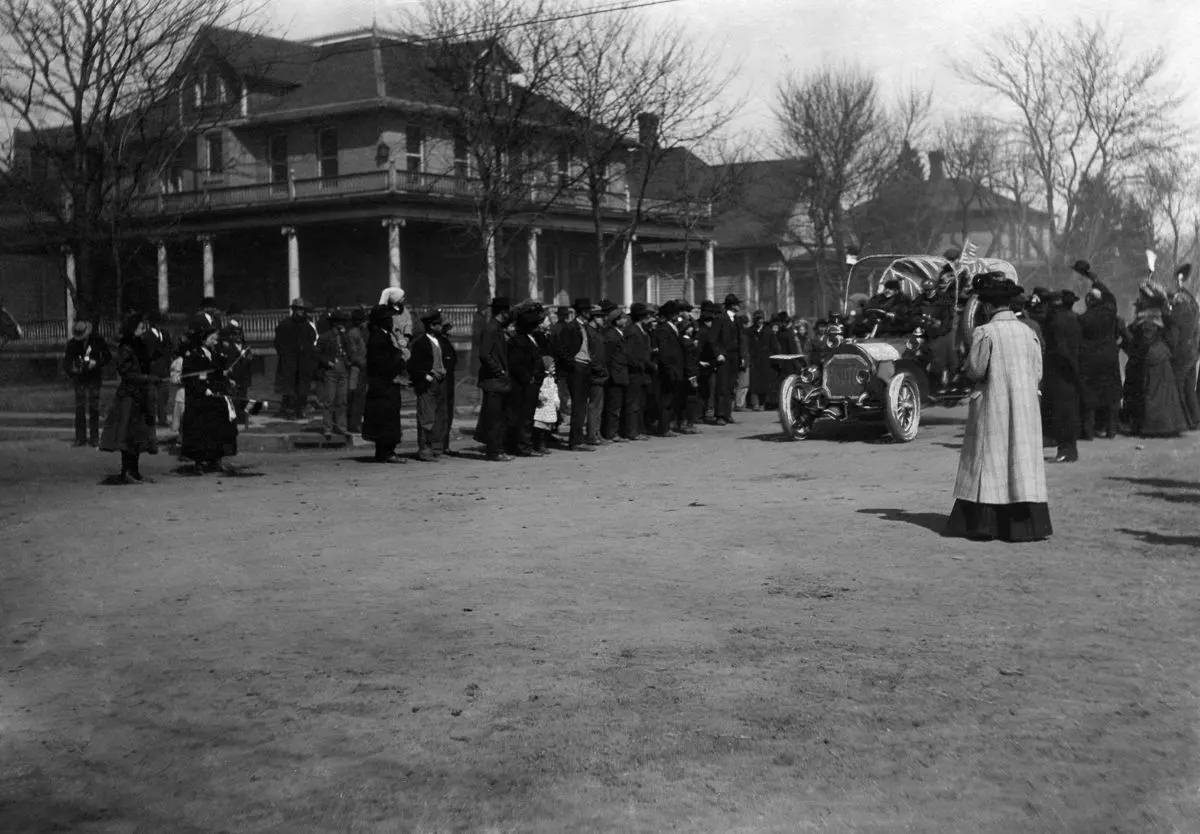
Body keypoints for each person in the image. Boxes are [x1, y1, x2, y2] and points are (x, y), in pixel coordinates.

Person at [946, 273, 1052, 542]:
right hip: (1025, 406)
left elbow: (977, 369)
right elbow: (1038, 372)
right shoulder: (1028, 333)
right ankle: (1026, 525)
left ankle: (985, 525)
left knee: (990, 459)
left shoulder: (985, 332)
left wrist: (967, 368)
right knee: (1020, 459)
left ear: (989, 307)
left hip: (994, 404)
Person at [98, 312, 161, 483]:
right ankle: (126, 470)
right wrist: (148, 379)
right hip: (129, 396)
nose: (143, 330)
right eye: (140, 328)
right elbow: (127, 374)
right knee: (128, 436)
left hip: (140, 395)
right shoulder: (126, 348)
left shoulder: (139, 345)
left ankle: (134, 471)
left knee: (138, 435)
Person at [180, 312, 238, 473]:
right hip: (200, 400)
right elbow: (189, 378)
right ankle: (199, 462)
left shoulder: (215, 354)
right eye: (212, 336)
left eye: (216, 336)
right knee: (200, 430)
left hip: (215, 398)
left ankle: (216, 460)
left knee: (218, 429)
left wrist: (227, 379)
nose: (215, 339)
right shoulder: (193, 355)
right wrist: (203, 389)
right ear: (202, 337)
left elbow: (218, 373)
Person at [1071, 261, 1122, 440]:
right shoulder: (1110, 312)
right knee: (1110, 395)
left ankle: (1089, 432)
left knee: (1090, 396)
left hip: (1090, 359)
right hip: (1109, 357)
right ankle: (1111, 431)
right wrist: (1095, 279)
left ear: (1089, 302)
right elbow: (1110, 297)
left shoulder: (1083, 319)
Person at [362, 304, 408, 463]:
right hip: (383, 385)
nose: (391, 320)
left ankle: (386, 451)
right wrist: (401, 359)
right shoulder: (378, 338)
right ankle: (385, 452)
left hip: (386, 384)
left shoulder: (385, 335)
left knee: (388, 418)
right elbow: (381, 363)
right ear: (382, 321)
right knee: (385, 419)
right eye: (388, 318)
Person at [1042, 290, 1083, 463]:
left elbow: (1060, 348)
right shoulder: (1074, 318)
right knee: (1069, 411)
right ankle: (1069, 448)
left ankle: (1066, 449)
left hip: (1059, 372)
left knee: (1061, 412)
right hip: (1070, 371)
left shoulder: (1056, 321)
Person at [505, 302, 548, 457]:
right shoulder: (518, 341)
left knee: (526, 416)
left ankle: (522, 445)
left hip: (531, 383)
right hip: (524, 385)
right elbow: (516, 364)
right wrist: (528, 378)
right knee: (523, 417)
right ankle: (523, 446)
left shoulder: (530, 339)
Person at [556, 297, 599, 451]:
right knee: (579, 406)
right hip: (577, 368)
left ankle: (578, 438)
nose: (590, 314)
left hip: (585, 367)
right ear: (583, 312)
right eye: (588, 311)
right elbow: (562, 349)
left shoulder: (585, 327)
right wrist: (572, 364)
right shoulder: (571, 327)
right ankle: (575, 441)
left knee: (582, 405)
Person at [408, 309, 451, 461]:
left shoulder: (440, 342)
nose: (441, 327)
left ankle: (436, 448)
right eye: (438, 324)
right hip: (428, 384)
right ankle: (425, 449)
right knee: (426, 417)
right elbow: (413, 365)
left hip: (441, 382)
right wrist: (425, 376)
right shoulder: (420, 343)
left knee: (440, 416)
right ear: (432, 326)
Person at [64, 318, 112, 447]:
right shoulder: (72, 344)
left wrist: (96, 363)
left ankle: (94, 437)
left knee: (94, 407)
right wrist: (73, 370)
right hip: (79, 378)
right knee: (80, 408)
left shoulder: (98, 341)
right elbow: (66, 363)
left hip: (94, 376)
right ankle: (80, 437)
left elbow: (107, 357)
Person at [1138, 315, 1188, 437]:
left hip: (1154, 363)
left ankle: (1154, 427)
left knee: (1153, 393)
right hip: (1163, 364)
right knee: (1168, 395)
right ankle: (1170, 425)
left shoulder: (1148, 338)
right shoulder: (1163, 343)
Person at [476, 296, 512, 461]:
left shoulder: (497, 328)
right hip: (493, 381)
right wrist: (499, 371)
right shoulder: (491, 329)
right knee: (493, 419)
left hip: (498, 382)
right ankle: (493, 451)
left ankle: (497, 449)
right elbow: (484, 354)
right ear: (503, 312)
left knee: (498, 418)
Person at [316, 309, 359, 442]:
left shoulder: (345, 336)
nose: (342, 325)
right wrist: (327, 362)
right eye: (340, 322)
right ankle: (327, 427)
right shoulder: (325, 337)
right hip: (331, 371)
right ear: (334, 323)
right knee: (329, 400)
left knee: (342, 401)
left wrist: (349, 361)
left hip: (343, 370)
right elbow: (317, 353)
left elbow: (351, 351)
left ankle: (341, 426)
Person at [1165, 263, 1199, 430]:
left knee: (1178, 386)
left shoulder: (1179, 302)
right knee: (1189, 387)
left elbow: (1175, 328)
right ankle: (1196, 419)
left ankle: (1186, 421)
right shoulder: (1192, 300)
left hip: (1182, 352)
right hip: (1193, 351)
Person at [273, 298, 318, 419]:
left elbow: (312, 340)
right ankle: (290, 411)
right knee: (290, 388)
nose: (301, 312)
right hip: (290, 363)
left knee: (302, 388)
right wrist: (286, 355)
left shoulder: (307, 326)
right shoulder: (285, 325)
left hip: (303, 363)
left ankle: (300, 410)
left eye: (302, 310)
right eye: (298, 309)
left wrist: (307, 352)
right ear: (293, 310)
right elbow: (278, 344)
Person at [652, 300, 686, 436]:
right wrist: (669, 369)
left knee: (671, 399)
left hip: (675, 368)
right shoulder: (663, 329)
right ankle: (663, 427)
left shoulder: (672, 328)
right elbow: (665, 352)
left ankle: (668, 425)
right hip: (668, 370)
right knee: (666, 399)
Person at [712, 293, 744, 424]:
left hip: (734, 356)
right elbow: (713, 338)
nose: (739, 306)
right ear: (732, 306)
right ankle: (719, 415)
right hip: (723, 357)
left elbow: (741, 339)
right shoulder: (720, 318)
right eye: (737, 304)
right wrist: (718, 353)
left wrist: (742, 356)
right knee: (722, 385)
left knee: (731, 385)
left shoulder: (737, 320)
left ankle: (727, 413)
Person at [624, 302, 654, 440]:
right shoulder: (632, 331)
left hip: (643, 372)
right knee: (633, 403)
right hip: (635, 372)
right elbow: (630, 354)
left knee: (641, 402)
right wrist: (640, 364)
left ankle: (638, 429)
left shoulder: (643, 331)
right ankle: (632, 431)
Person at [601, 306, 630, 442]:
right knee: (613, 406)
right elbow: (609, 357)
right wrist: (612, 374)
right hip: (615, 375)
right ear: (616, 320)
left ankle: (612, 431)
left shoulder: (619, 333)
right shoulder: (611, 335)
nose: (626, 320)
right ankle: (611, 433)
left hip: (620, 374)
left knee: (616, 405)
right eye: (623, 318)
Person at [144, 312, 174, 428]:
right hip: (152, 370)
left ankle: (162, 419)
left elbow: (170, 348)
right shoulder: (147, 335)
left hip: (164, 369)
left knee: (164, 396)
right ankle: (150, 420)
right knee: (151, 396)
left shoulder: (165, 334)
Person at [345, 306, 369, 435]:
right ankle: (354, 423)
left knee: (361, 397)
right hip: (357, 368)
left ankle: (357, 422)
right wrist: (364, 363)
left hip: (363, 367)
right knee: (356, 396)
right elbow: (353, 354)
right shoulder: (353, 333)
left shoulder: (362, 332)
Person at [745, 310, 775, 410]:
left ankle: (763, 404)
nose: (759, 321)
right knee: (754, 383)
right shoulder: (749, 331)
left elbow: (774, 346)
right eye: (757, 319)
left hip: (765, 360)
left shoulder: (769, 331)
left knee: (764, 383)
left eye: (761, 319)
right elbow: (746, 345)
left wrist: (772, 357)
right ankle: (755, 404)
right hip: (754, 359)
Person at [437, 320, 459, 454]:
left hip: (449, 382)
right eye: (447, 328)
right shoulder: (440, 342)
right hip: (443, 382)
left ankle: (445, 445)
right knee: (443, 413)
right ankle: (440, 445)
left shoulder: (445, 342)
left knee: (448, 414)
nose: (450, 331)